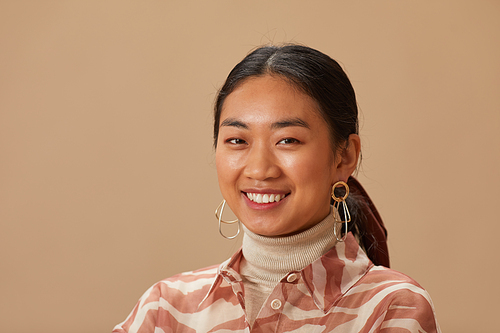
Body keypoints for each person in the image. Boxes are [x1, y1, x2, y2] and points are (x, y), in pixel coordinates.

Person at [113, 44, 440, 332]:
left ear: (344, 157)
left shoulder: (390, 308)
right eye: (237, 140)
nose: (259, 169)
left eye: (288, 140)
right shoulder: (166, 309)